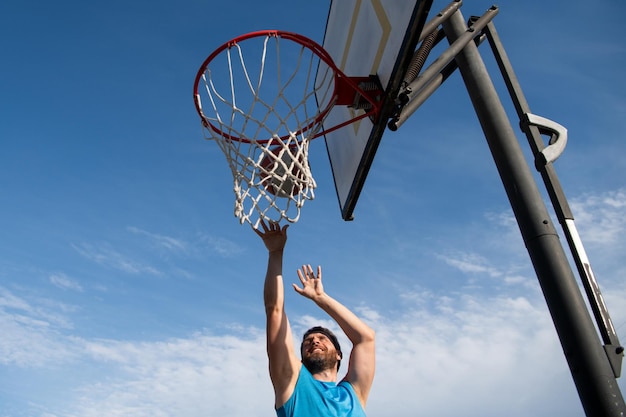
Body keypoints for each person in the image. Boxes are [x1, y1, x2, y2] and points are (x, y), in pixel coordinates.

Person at [255, 220, 376, 417]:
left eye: (322, 338)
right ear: (302, 356)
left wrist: (321, 298)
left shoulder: (353, 394)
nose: (314, 341)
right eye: (308, 342)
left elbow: (366, 338)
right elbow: (274, 311)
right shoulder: (292, 383)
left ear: (339, 354)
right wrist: (275, 254)